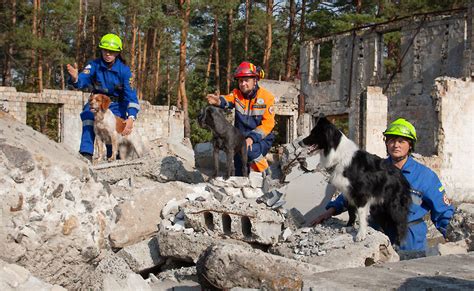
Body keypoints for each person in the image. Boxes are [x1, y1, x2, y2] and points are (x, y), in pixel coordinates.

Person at [312, 118, 455, 251]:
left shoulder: (425, 176)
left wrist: (454, 237)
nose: (396, 145)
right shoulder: (374, 167)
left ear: (410, 145)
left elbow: (442, 211)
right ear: (386, 143)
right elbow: (354, 192)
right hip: (378, 236)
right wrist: (330, 211)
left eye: (401, 141)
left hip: (410, 239)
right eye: (391, 140)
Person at [66, 33, 140, 161]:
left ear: (117, 53)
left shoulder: (125, 71)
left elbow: (132, 97)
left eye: (112, 51)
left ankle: (115, 157)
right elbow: (82, 79)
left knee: (114, 139)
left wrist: (131, 118)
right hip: (97, 102)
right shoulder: (94, 65)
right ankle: (86, 153)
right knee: (88, 116)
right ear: (101, 50)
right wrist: (75, 78)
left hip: (117, 106)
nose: (108, 54)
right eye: (105, 50)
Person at [205, 61, 275, 176]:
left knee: (249, 151)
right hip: (241, 138)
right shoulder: (237, 94)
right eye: (240, 81)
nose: (243, 84)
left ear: (255, 80)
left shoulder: (267, 97)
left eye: (246, 80)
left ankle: (267, 175)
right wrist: (218, 101)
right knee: (239, 169)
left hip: (262, 139)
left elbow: (268, 124)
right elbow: (228, 99)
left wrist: (251, 138)